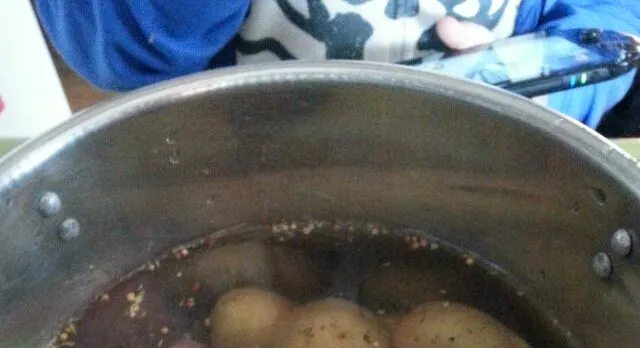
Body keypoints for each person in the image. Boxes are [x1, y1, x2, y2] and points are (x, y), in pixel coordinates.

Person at [34, 0, 639, 129]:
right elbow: (126, 50)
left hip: (496, 152)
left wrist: (551, 82)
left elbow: (613, 15)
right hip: (243, 163)